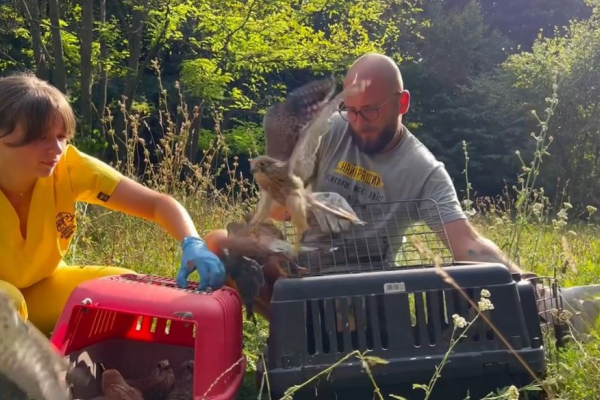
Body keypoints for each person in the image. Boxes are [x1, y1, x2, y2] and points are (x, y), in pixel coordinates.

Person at [200, 52, 526, 320]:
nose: (357, 123)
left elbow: (468, 246)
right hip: (301, 280)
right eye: (351, 110)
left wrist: (528, 285)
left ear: (402, 104)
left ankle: (330, 346)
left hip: (371, 293)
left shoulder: (424, 171)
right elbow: (277, 210)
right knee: (218, 244)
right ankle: (286, 339)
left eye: (369, 111)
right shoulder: (330, 130)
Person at [0, 72, 226, 336]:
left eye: (61, 136)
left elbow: (156, 204)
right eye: (41, 138)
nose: (57, 150)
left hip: (43, 287)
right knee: (9, 302)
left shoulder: (70, 169)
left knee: (124, 290)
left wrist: (193, 243)